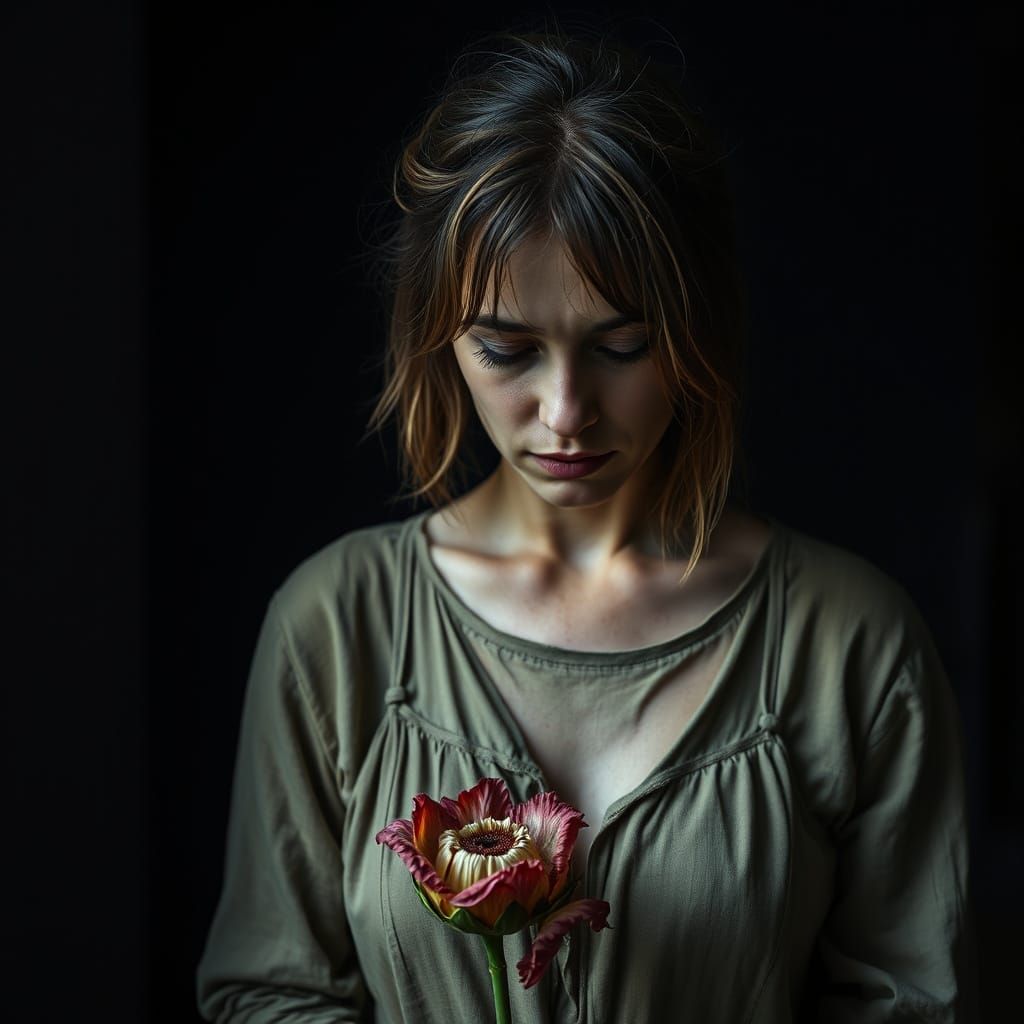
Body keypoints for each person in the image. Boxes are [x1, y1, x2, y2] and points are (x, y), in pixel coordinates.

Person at [195, 22, 978, 1023]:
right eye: (507, 350)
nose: (566, 410)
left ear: (697, 334)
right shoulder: (337, 626)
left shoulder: (851, 645)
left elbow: (907, 1003)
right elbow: (268, 990)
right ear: (439, 341)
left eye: (621, 344)